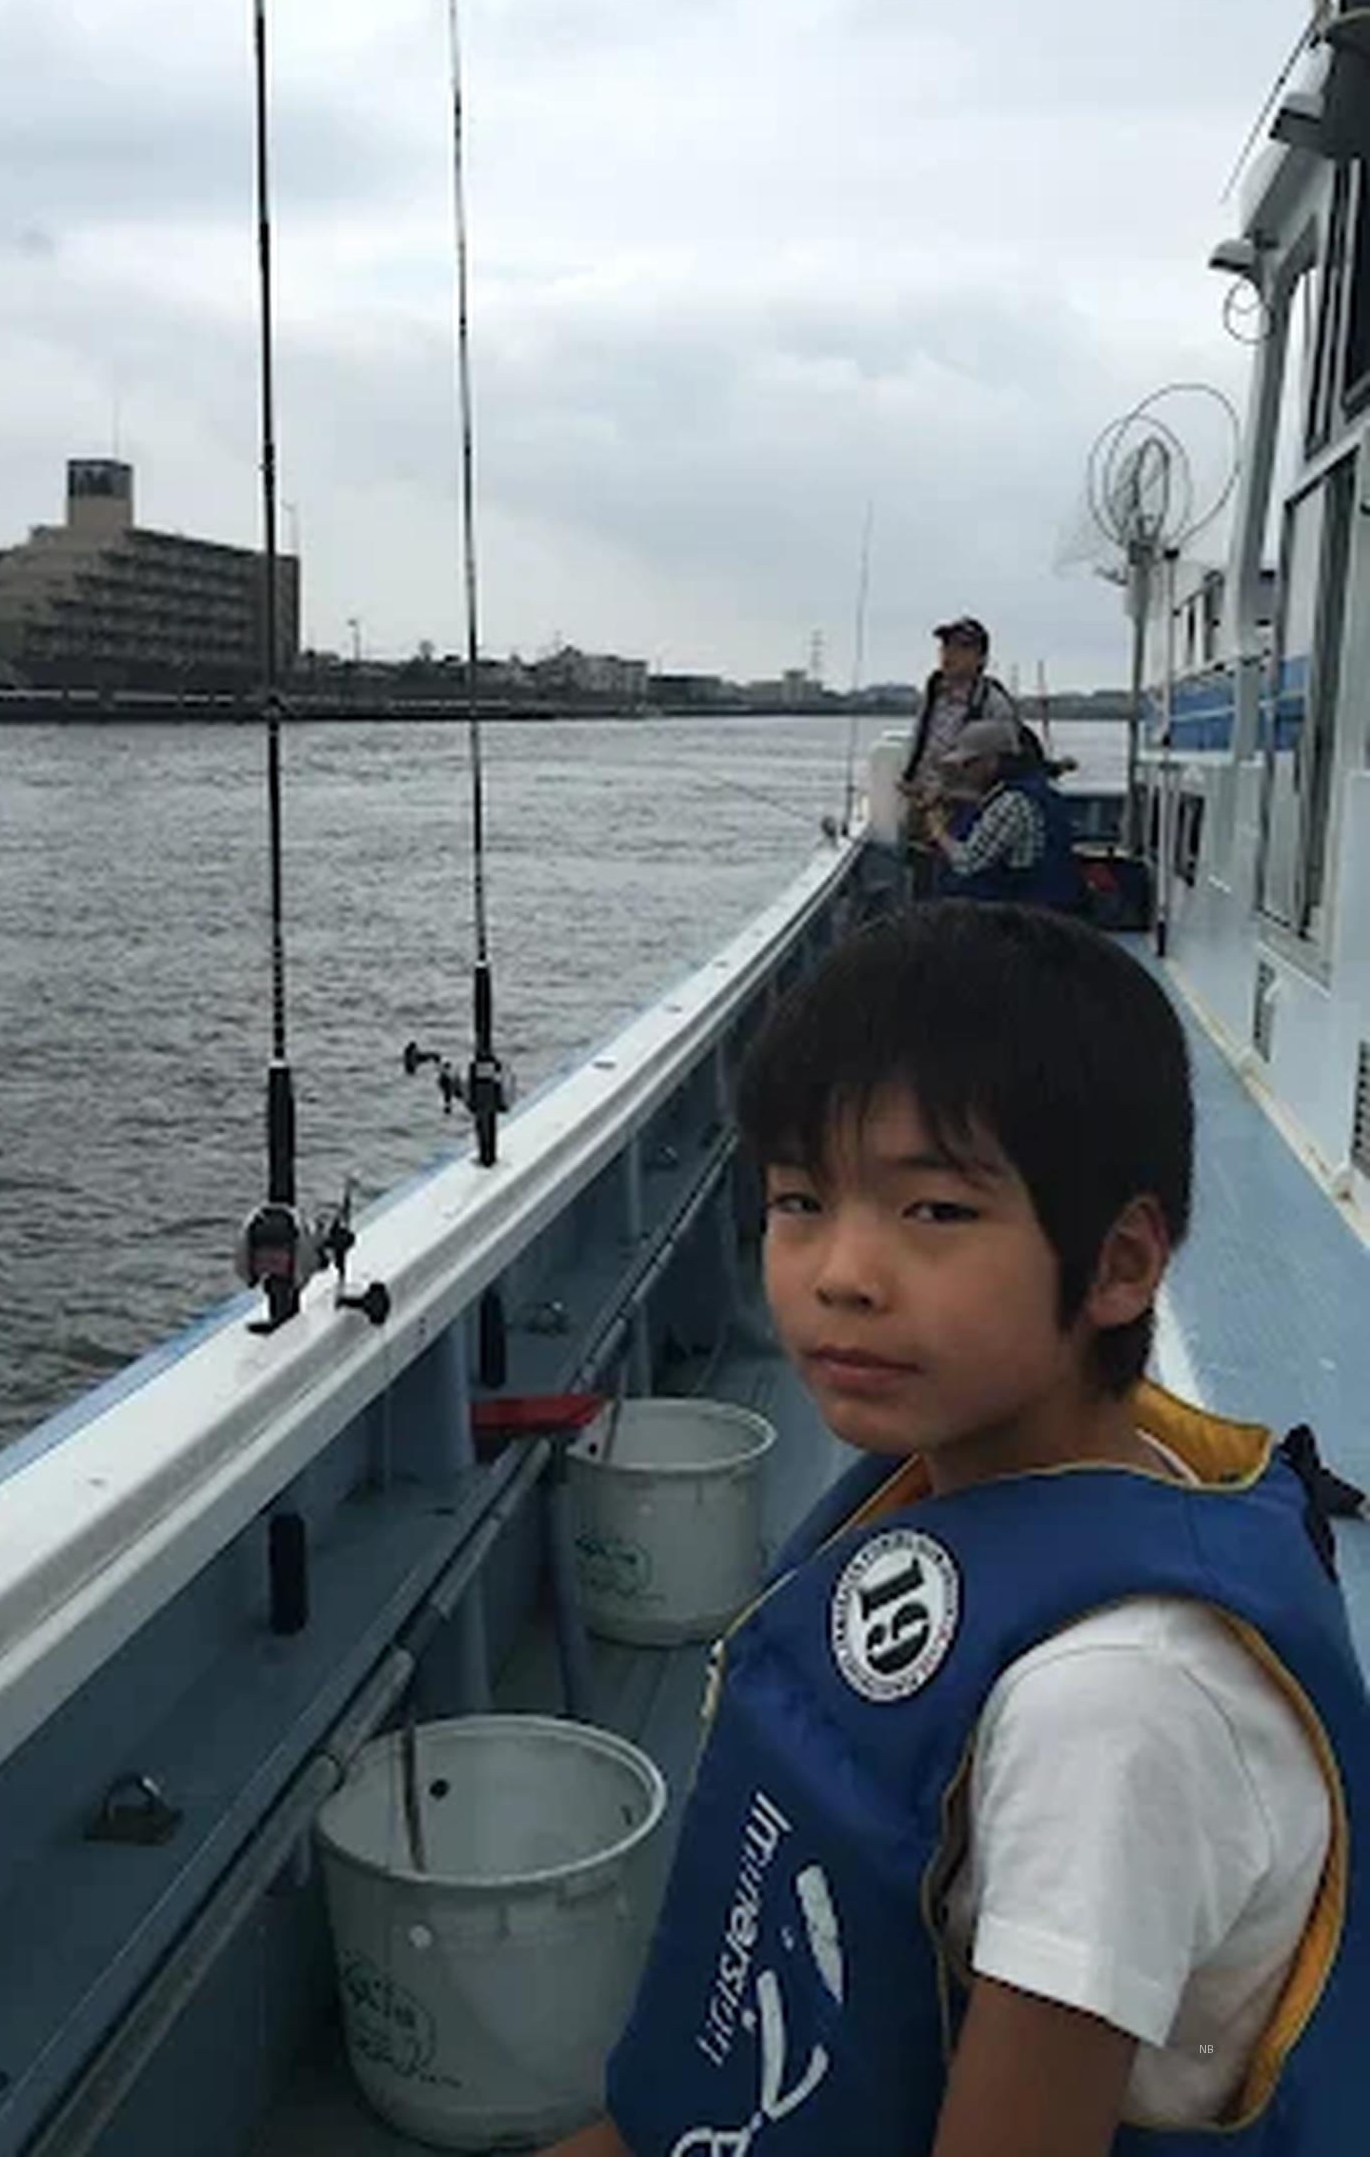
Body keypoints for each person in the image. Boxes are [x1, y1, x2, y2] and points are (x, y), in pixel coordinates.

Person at [539, 903, 1365, 2157]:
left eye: (932, 1213)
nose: (840, 1273)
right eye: (801, 1199)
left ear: (1120, 1266)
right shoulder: (975, 1476)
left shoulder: (1113, 1714)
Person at [919, 718, 1082, 910]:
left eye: (967, 764)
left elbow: (967, 862)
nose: (963, 771)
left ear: (991, 761)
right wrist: (949, 796)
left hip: (1020, 916)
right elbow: (986, 800)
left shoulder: (1012, 802)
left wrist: (936, 827)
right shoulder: (1033, 787)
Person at [901, 616, 1025, 844]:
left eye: (962, 647)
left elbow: (1003, 770)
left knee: (951, 872)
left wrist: (947, 794)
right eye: (946, 646)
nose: (950, 653)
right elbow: (920, 742)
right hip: (920, 803)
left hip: (964, 814)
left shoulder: (995, 704)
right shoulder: (933, 693)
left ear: (981, 659)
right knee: (918, 866)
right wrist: (910, 781)